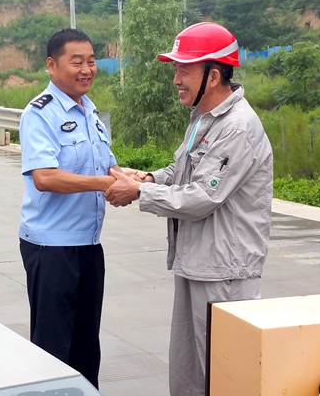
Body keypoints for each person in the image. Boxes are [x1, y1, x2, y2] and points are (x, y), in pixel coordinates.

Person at [105, 22, 273, 396]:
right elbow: (183, 171)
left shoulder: (238, 127)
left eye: (184, 70)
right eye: (176, 69)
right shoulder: (203, 119)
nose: (176, 80)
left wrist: (139, 193)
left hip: (225, 273)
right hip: (198, 263)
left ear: (213, 75)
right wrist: (150, 178)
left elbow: (201, 198)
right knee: (190, 374)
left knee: (225, 377)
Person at [18, 28, 120, 389]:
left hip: (88, 245)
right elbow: (45, 177)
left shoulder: (90, 111)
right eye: (76, 62)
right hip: (51, 247)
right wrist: (105, 183)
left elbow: (107, 165)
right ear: (52, 65)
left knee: (86, 345)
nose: (86, 69)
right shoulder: (39, 114)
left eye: (91, 61)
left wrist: (132, 178)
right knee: (53, 347)